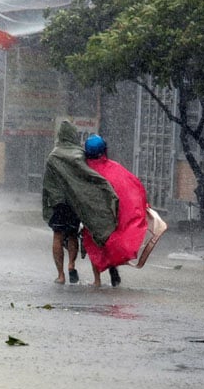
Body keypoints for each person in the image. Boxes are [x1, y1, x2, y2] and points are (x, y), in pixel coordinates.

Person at [42, 121, 119, 284]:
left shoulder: (53, 157)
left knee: (57, 236)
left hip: (59, 203)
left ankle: (61, 275)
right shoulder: (80, 154)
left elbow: (47, 185)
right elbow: (88, 176)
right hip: (76, 202)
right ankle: (71, 265)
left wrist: (47, 205)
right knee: (72, 235)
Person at [82, 134, 149, 287]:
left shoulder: (84, 170)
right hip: (110, 214)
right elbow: (132, 186)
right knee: (110, 242)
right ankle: (113, 268)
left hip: (93, 215)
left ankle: (97, 280)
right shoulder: (114, 168)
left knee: (93, 244)